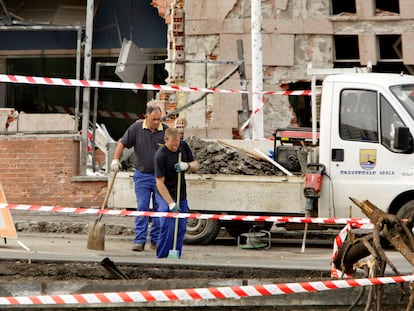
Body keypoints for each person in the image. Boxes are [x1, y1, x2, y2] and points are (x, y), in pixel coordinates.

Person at [111, 105, 168, 252]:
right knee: (142, 208)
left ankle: (155, 241)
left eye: (159, 119)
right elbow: (122, 143)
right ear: (146, 116)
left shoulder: (165, 130)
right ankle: (139, 241)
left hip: (160, 178)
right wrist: (115, 159)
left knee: (159, 210)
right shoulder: (136, 129)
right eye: (154, 119)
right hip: (142, 176)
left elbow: (174, 148)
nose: (157, 122)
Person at [154, 128, 199, 258]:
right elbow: (159, 183)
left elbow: (196, 164)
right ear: (165, 140)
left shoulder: (183, 146)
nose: (175, 147)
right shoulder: (160, 156)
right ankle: (162, 256)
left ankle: (175, 256)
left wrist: (187, 166)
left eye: (177, 143)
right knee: (168, 226)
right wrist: (171, 203)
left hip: (181, 193)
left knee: (181, 227)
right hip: (165, 195)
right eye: (172, 144)